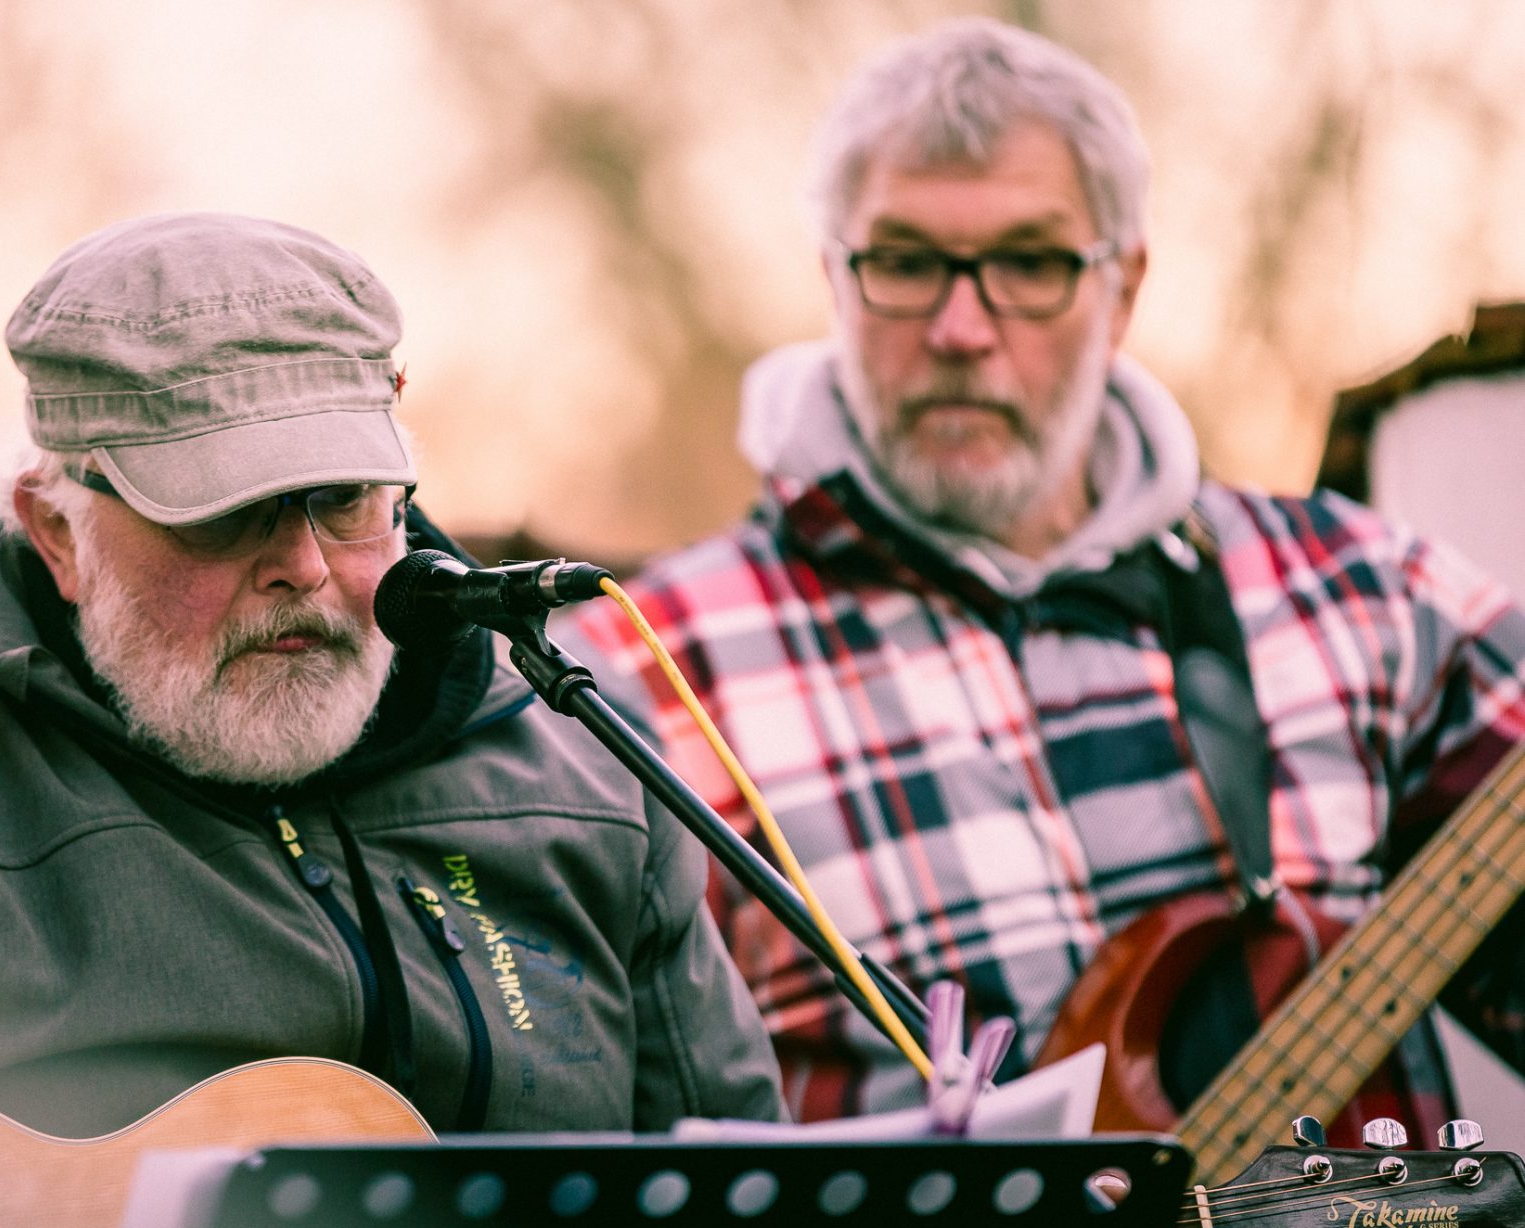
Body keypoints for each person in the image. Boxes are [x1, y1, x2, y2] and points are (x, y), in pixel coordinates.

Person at [0, 212, 783, 1228]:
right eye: (227, 514)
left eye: (341, 501)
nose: (306, 567)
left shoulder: (589, 784)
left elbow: (752, 1203)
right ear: (58, 533)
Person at [559, 16, 1525, 1134]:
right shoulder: (640, 673)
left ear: (1124, 288)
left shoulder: (1373, 595)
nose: (963, 328)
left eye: (1029, 262)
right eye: (908, 263)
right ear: (834, 276)